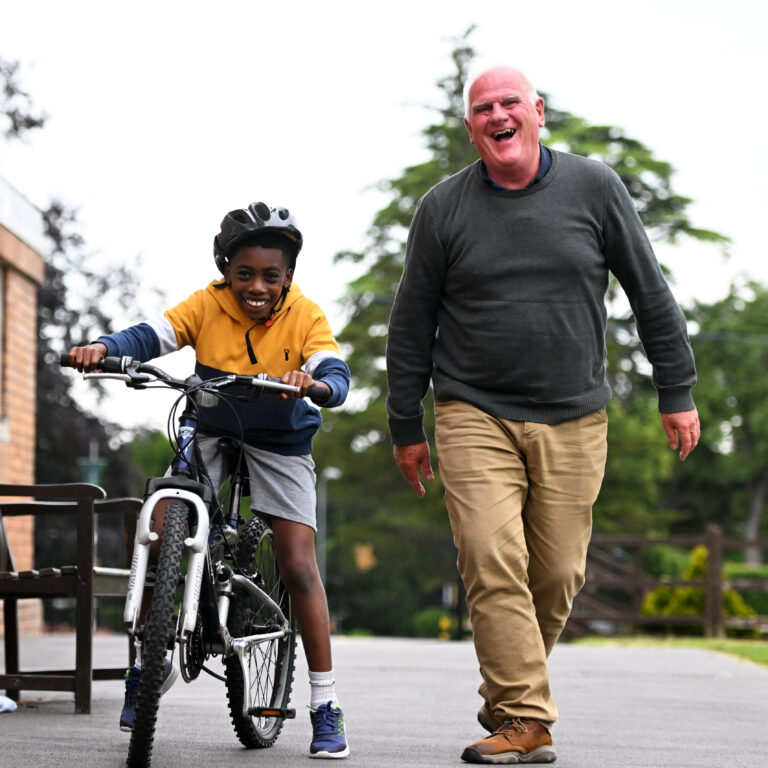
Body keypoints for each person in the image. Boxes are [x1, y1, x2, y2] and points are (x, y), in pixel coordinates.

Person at [385, 66, 700, 765]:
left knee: (557, 574)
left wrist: (675, 389)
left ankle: (509, 696)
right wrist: (406, 423)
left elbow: (650, 290)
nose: (497, 116)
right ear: (471, 128)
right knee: (491, 558)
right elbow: (410, 324)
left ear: (537, 112)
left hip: (574, 413)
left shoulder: (594, 187)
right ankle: (526, 720)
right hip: (473, 410)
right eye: (482, 109)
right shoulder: (444, 209)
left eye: (509, 104)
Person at [68, 201, 351, 759]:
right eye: (244, 273)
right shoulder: (207, 303)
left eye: (271, 275)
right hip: (213, 424)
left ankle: (324, 704)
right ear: (226, 270)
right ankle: (146, 664)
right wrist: (105, 348)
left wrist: (318, 386)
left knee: (297, 564)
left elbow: (329, 367)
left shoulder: (306, 313)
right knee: (160, 522)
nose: (257, 286)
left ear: (288, 276)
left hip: (281, 437)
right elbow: (154, 334)